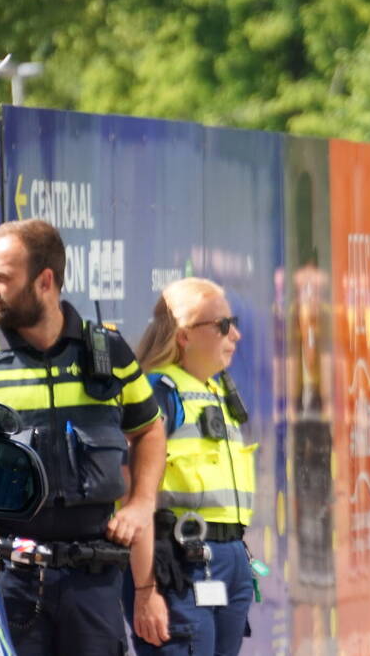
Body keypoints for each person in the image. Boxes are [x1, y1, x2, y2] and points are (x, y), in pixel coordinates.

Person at [0, 218, 169, 656]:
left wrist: (142, 503)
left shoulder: (107, 353)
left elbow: (149, 428)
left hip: (94, 585)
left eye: (1, 277)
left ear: (45, 281)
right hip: (5, 581)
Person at [132, 277, 256, 656]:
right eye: (222, 325)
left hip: (229, 557)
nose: (233, 334)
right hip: (178, 562)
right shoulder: (158, 393)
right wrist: (145, 589)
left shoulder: (215, 391)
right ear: (183, 335)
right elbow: (133, 497)